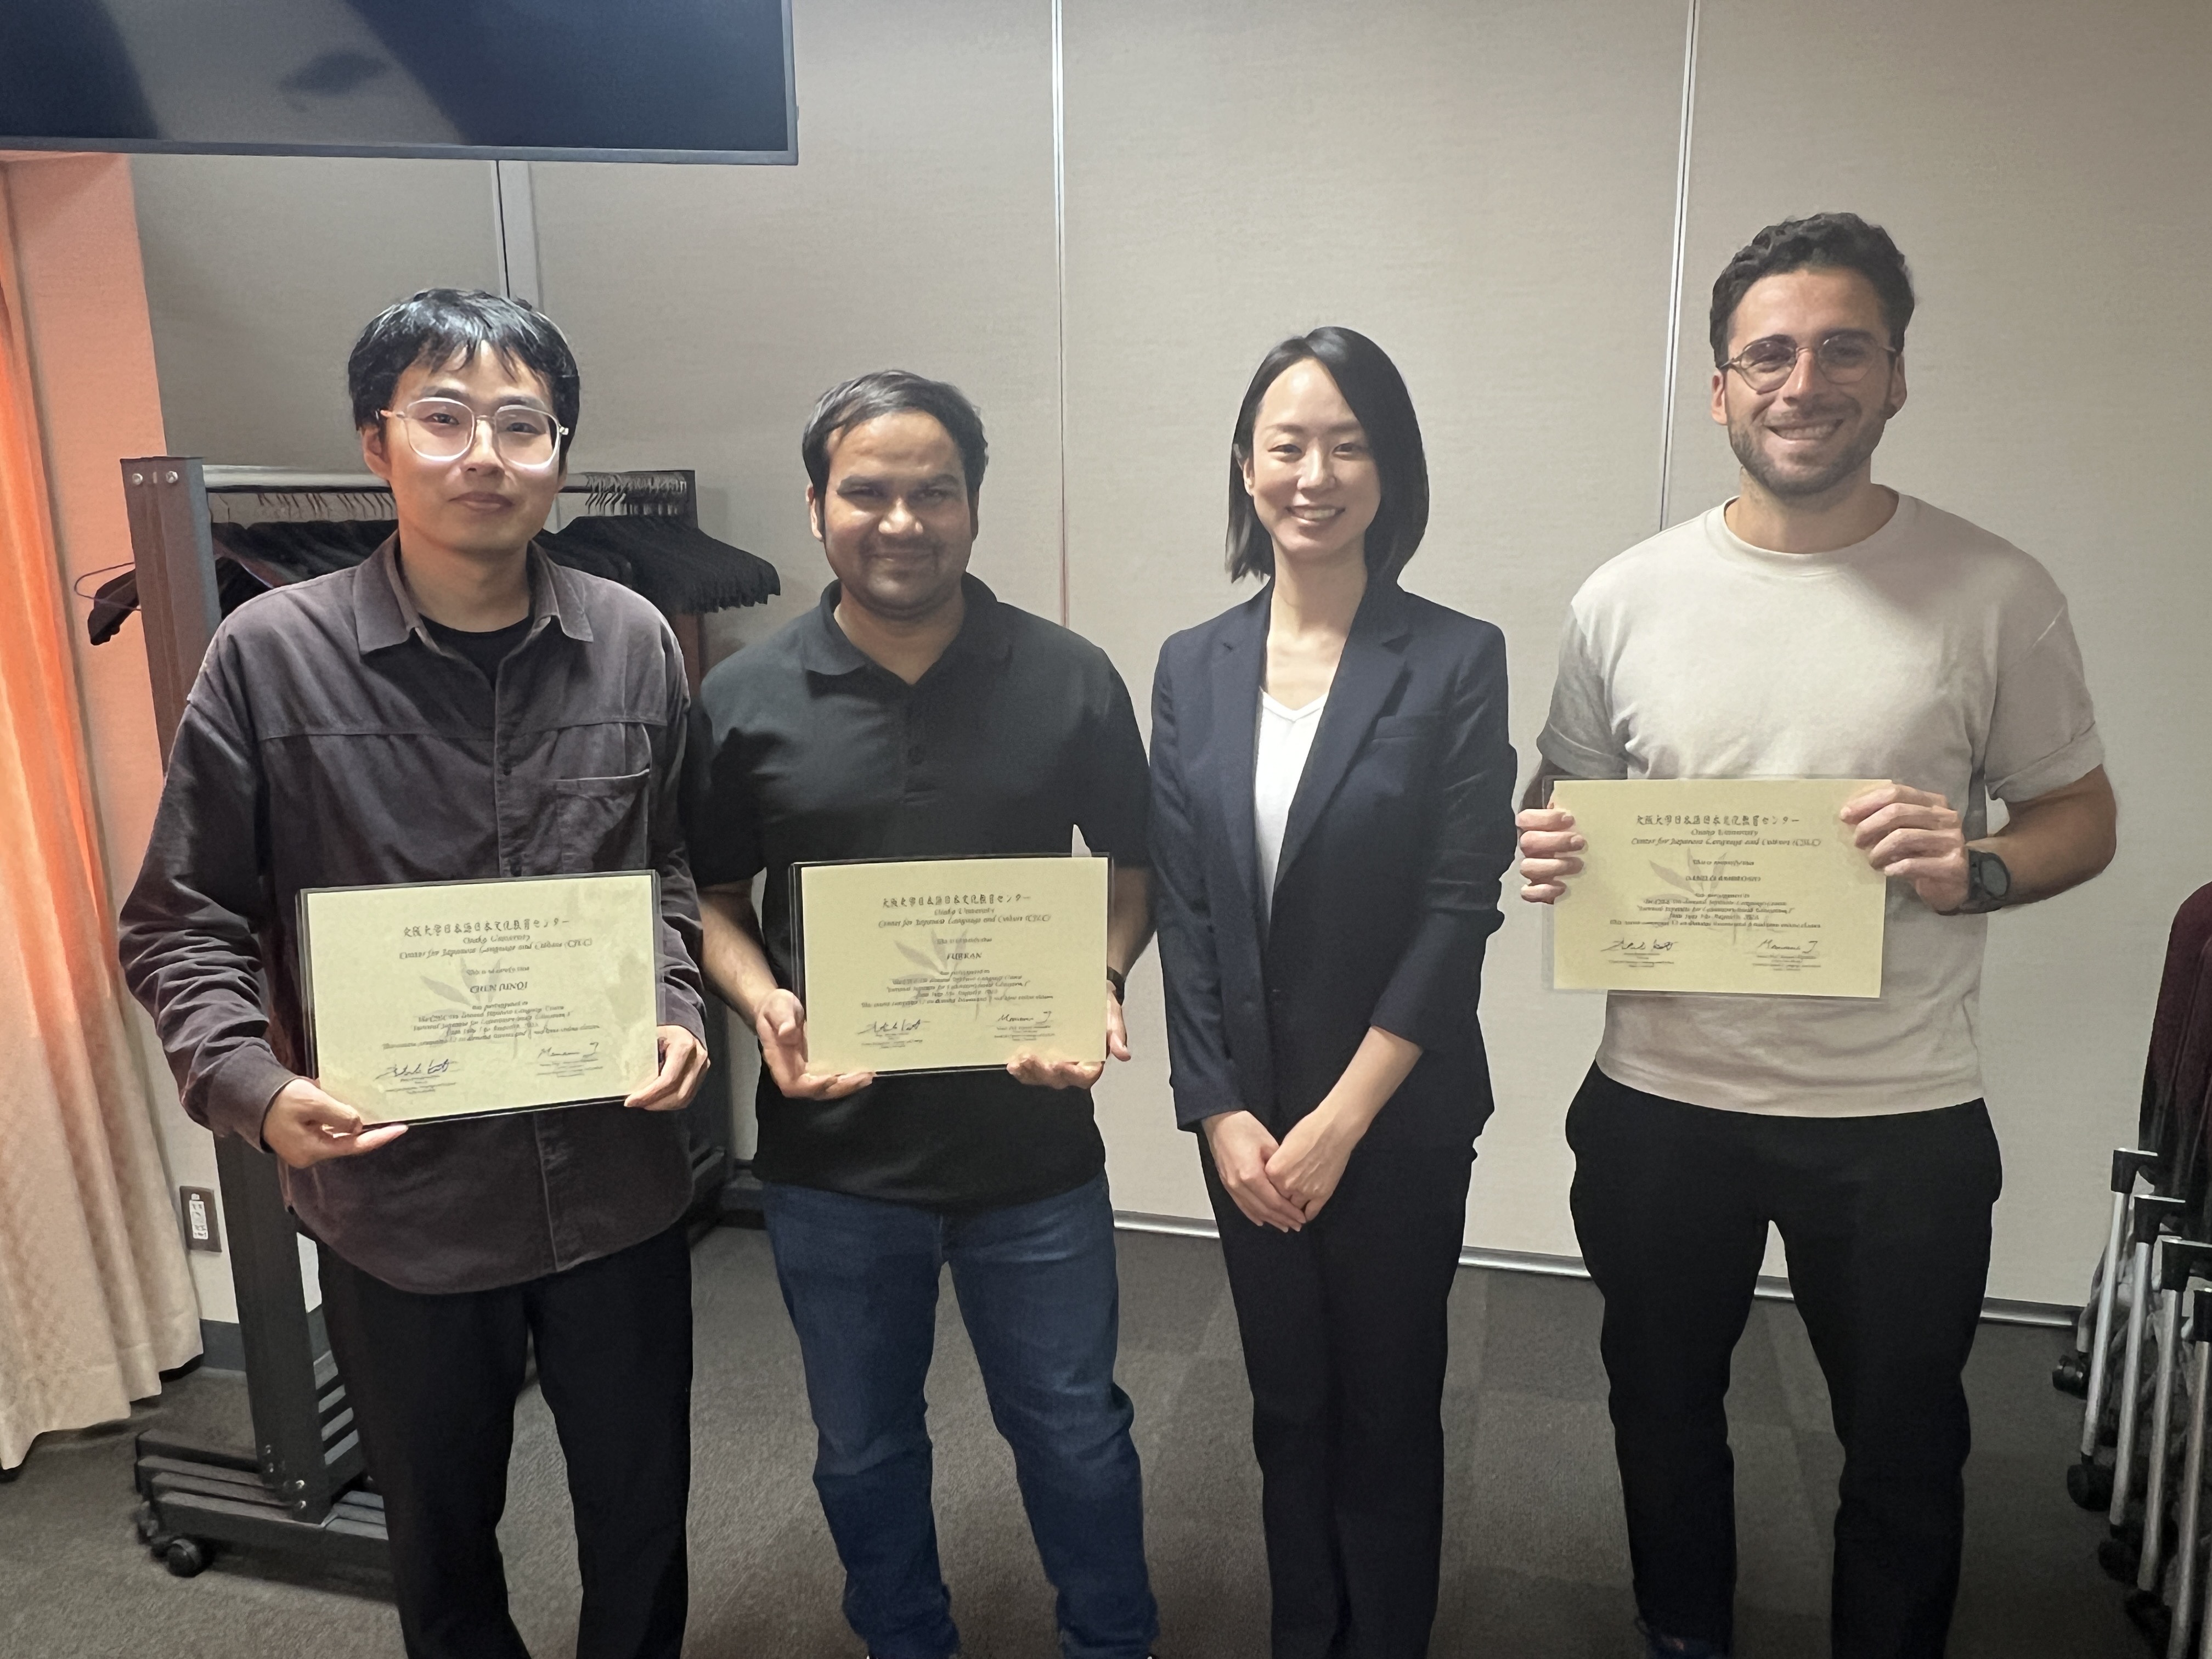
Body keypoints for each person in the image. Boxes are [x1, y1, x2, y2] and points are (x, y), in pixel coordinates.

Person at [1517, 214, 2117, 1659]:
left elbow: (2082, 817)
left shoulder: (1995, 591)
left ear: (1897, 375)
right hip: (1662, 1102)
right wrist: (1550, 844)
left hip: (1898, 1116)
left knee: (1904, 1446)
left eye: (1844, 350)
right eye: (1770, 354)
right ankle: (1684, 1634)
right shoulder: (1624, 596)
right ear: (1721, 386)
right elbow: (1565, 796)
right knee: (1661, 1412)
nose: (1806, 383)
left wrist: (1976, 866)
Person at [119, 290, 711, 1659]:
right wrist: (254, 1087)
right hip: (402, 1205)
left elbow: (665, 868)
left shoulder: (633, 638)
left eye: (523, 425)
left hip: (612, 1182)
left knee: (643, 1523)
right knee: (441, 1547)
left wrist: (674, 1001)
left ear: (561, 455)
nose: (485, 454)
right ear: (375, 441)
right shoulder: (271, 655)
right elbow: (180, 918)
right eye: (443, 417)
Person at [686, 370, 1160, 1659]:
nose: (902, 522)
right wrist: (765, 1002)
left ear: (974, 507)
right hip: (835, 1160)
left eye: (934, 493)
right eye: (869, 492)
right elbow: (712, 899)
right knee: (864, 1448)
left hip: (1033, 1152)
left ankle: (1112, 1642)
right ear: (816, 506)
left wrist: (1102, 980)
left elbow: (1133, 866)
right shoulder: (744, 697)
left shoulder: (1069, 677)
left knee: (1077, 1434)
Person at [1148, 327, 1517, 1657]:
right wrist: (1218, 1110)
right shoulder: (1191, 664)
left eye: (1349, 445)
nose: (1316, 474)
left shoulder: (1455, 656)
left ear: (1391, 469)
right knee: (1288, 1405)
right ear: (1246, 469)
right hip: (1248, 1125)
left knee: (1388, 1407)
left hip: (1394, 1115)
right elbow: (1185, 906)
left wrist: (1342, 1121)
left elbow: (1458, 905)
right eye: (1288, 446)